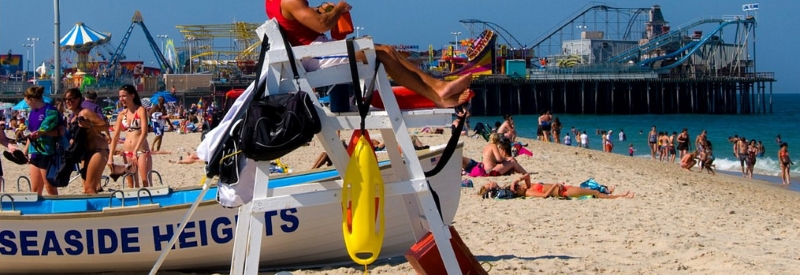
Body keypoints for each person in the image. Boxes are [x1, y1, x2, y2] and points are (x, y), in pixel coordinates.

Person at [266, 0, 473, 108]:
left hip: (315, 51)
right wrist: (338, 9)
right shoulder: (290, 0)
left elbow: (303, 23)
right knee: (380, 53)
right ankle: (437, 95)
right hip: (314, 57)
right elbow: (322, 26)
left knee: (387, 50)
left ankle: (438, 87)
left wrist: (320, 9)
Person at [64, 88, 109, 194]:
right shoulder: (72, 117)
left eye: (71, 99)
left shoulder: (85, 112)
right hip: (86, 153)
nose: (68, 102)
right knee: (87, 188)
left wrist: (90, 125)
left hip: (98, 150)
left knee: (90, 188)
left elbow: (104, 126)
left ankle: (97, 210)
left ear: (79, 99)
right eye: (66, 99)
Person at [109, 85, 153, 188]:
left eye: (124, 96)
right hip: (127, 152)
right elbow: (115, 137)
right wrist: (110, 156)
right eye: (120, 96)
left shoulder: (140, 110)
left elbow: (144, 132)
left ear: (132, 96)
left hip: (141, 150)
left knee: (145, 182)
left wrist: (135, 151)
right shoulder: (121, 114)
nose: (121, 99)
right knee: (131, 184)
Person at [22, 86, 61, 195]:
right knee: (35, 190)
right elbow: (31, 133)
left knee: (50, 187)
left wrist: (43, 133)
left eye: (27, 101)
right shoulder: (31, 113)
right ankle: (36, 211)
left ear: (33, 100)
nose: (27, 104)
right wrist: (25, 150)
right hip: (34, 152)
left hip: (47, 152)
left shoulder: (51, 111)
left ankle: (55, 211)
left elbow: (61, 131)